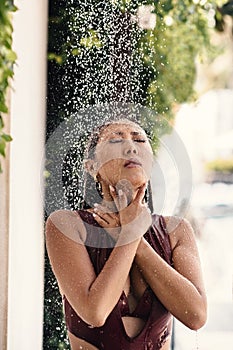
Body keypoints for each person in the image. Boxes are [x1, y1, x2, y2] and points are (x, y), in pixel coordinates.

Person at [45, 119, 207, 350]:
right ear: (92, 167)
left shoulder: (176, 230)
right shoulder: (68, 225)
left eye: (140, 140)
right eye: (116, 140)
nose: (131, 147)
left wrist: (136, 240)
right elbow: (95, 312)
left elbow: (196, 316)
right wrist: (129, 232)